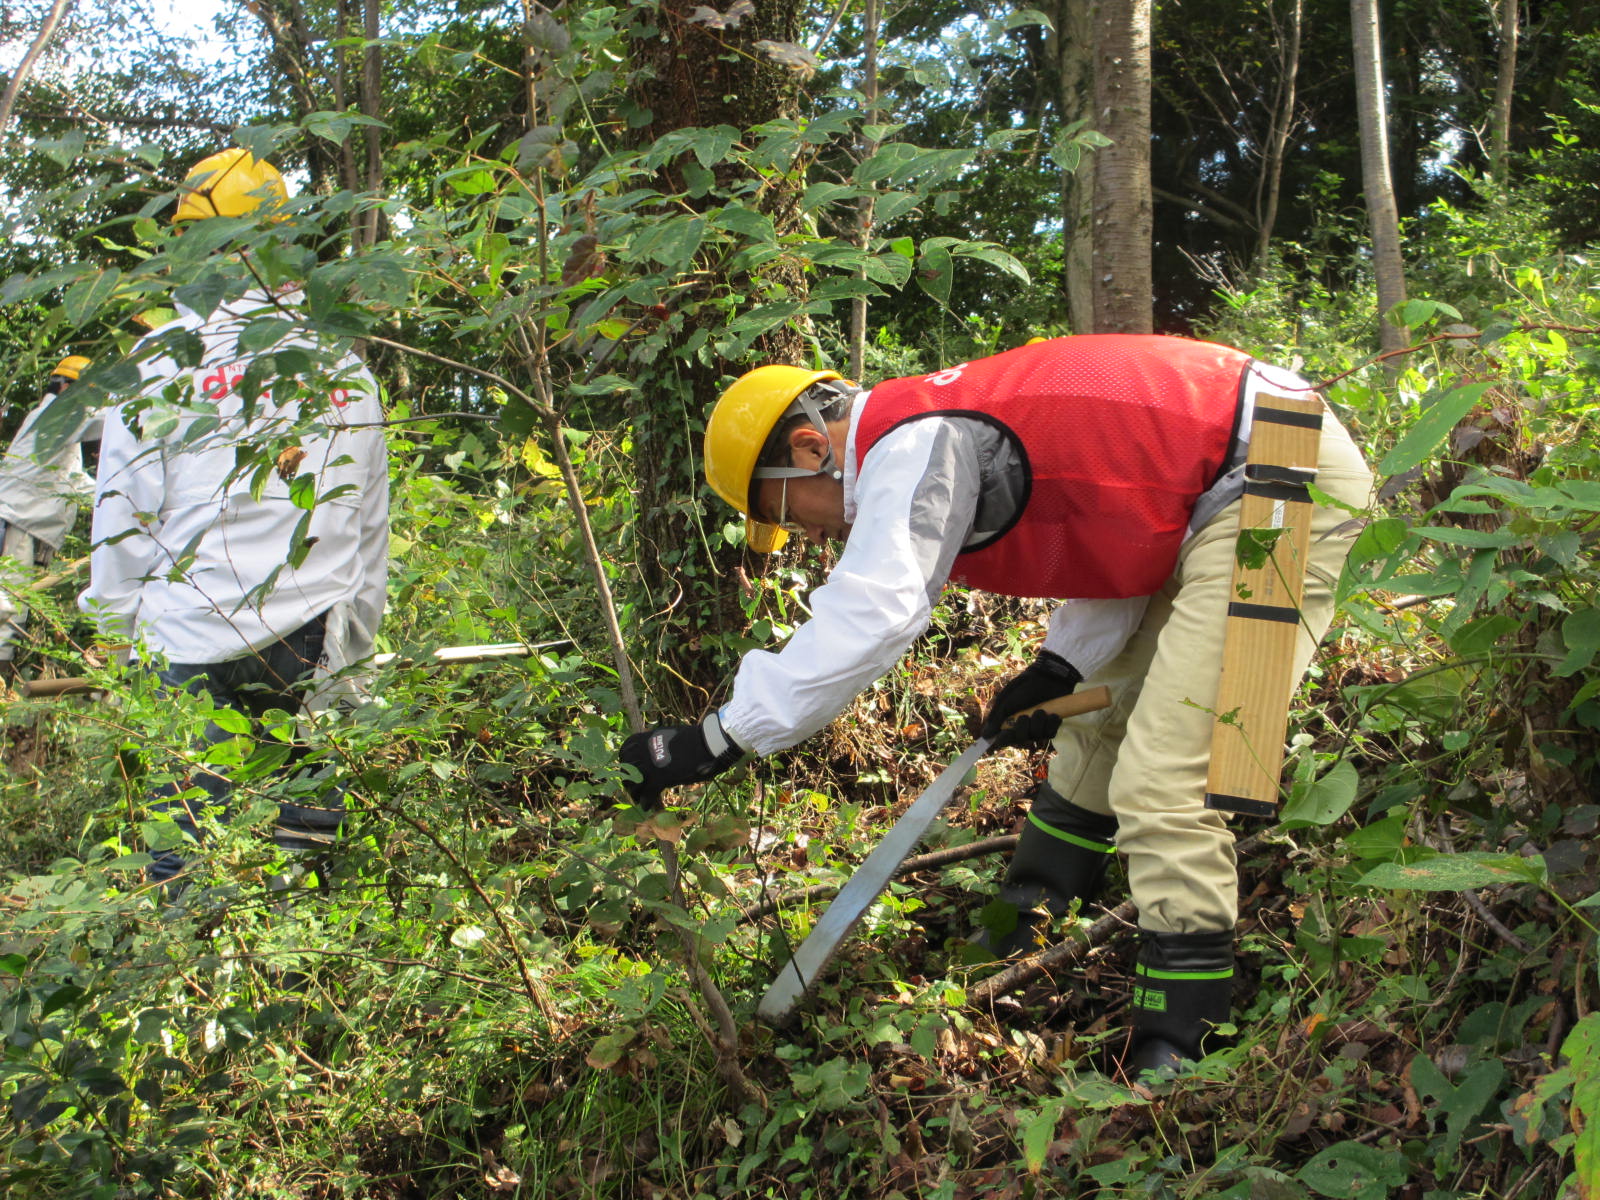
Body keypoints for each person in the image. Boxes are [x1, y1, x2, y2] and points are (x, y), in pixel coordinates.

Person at [617, 335, 1373, 1074]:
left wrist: (718, 738)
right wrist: (1059, 667)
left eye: (787, 510)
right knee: (1098, 732)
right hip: (1214, 491)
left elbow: (874, 616)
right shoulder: (934, 428)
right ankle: (1024, 923)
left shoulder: (910, 444)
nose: (806, 534)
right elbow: (1113, 529)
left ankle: (1183, 1045)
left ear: (812, 448)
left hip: (1279, 473)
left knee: (1171, 773)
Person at [80, 148, 390, 888]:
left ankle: (195, 987)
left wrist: (117, 629)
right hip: (313, 631)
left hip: (187, 631)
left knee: (184, 850)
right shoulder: (338, 363)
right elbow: (368, 517)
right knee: (301, 845)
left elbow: (123, 507)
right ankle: (299, 983)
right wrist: (359, 644)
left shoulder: (160, 360)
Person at [0, 356, 101, 669]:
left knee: (14, 608)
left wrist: (115, 498)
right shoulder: (60, 414)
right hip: (17, 522)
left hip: (23, 523)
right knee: (5, 609)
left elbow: (70, 480)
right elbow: (118, 421)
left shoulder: (52, 424)